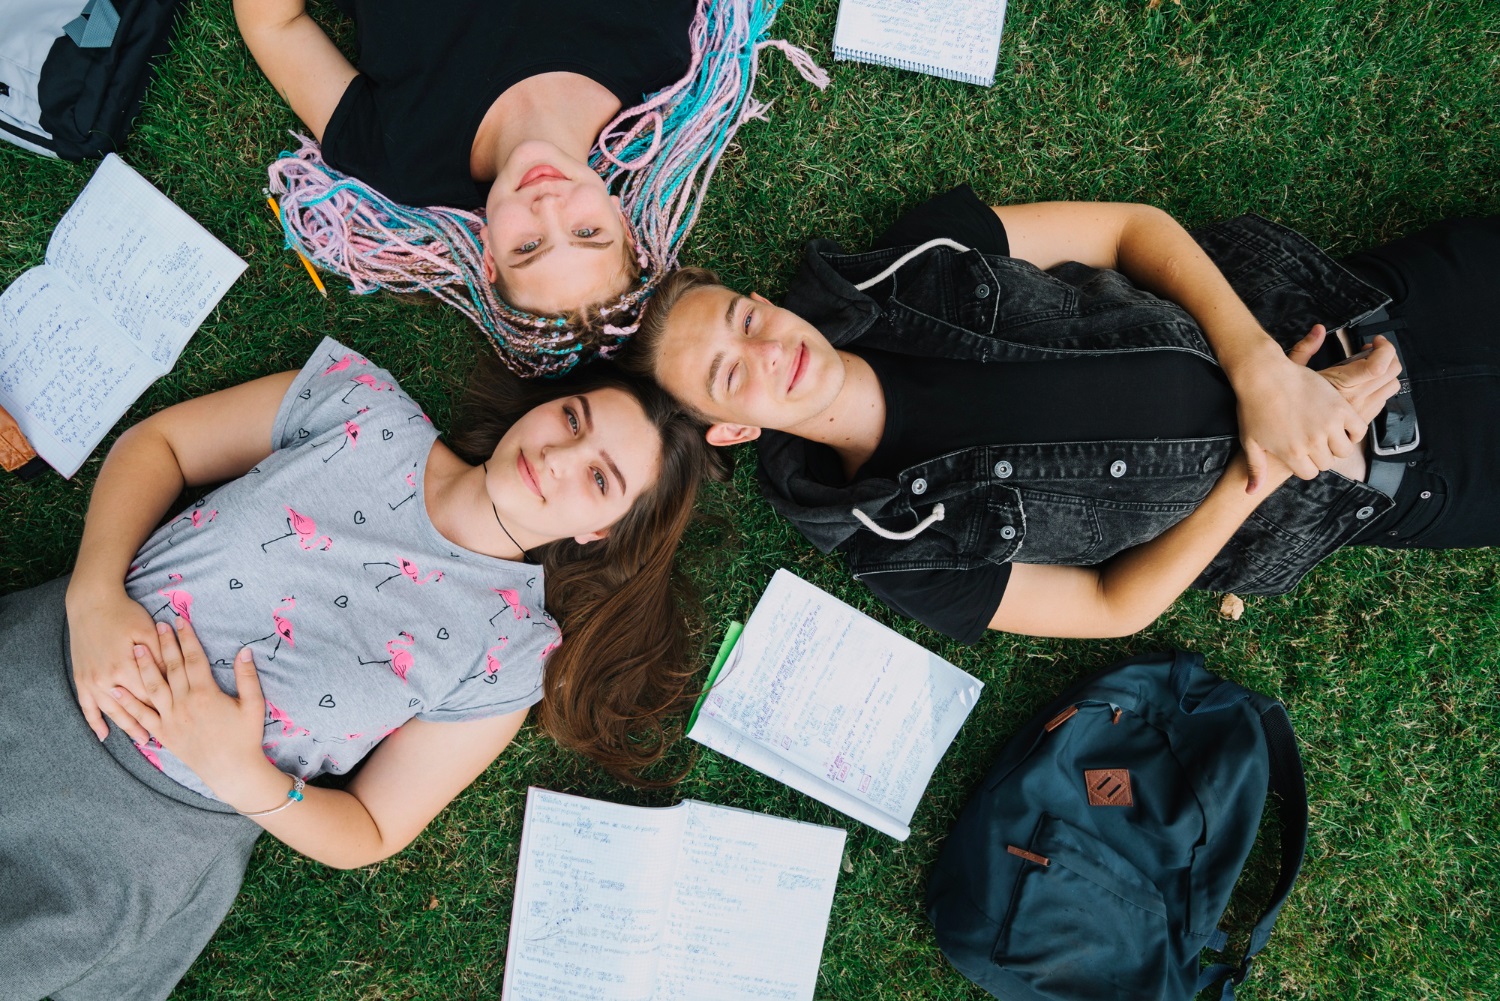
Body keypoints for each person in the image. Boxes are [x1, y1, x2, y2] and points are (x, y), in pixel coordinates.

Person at [0, 336, 720, 1001]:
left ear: (599, 532)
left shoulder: (508, 653)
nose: (561, 455)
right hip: (42, 674)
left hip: (147, 841)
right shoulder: (361, 403)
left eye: (598, 476)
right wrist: (93, 592)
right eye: (572, 418)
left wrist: (243, 774)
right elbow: (160, 445)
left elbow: (373, 826)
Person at [622, 186, 1500, 641]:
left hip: (1377, 309)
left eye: (745, 320)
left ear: (759, 298)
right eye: (731, 378)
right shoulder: (891, 545)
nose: (771, 352)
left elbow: (1128, 230)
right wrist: (1264, 459)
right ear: (731, 431)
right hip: (1399, 475)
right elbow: (1111, 605)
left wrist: (1264, 372)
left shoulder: (921, 259)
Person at [237, 0, 826, 376]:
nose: (547, 208)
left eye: (529, 247)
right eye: (586, 232)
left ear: (488, 257)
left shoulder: (400, 159)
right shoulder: (654, 54)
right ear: (621, 219)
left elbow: (276, 24)